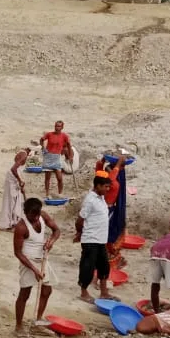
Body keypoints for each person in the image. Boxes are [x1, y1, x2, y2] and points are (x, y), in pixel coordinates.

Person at [14, 197, 60, 331]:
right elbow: (18, 253)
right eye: (31, 215)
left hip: (42, 259)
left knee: (47, 290)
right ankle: (18, 326)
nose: (35, 218)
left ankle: (38, 320)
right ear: (25, 212)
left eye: (37, 214)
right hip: (28, 261)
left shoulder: (43, 216)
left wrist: (50, 241)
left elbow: (56, 231)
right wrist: (34, 269)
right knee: (25, 293)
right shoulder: (21, 227)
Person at [75, 173, 114, 302]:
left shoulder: (100, 198)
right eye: (106, 187)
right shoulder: (90, 200)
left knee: (104, 266)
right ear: (98, 186)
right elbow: (80, 220)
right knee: (88, 266)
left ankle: (104, 292)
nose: (107, 189)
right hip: (91, 239)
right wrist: (79, 233)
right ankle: (84, 292)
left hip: (101, 239)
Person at [0, 149, 30, 231]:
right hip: (13, 178)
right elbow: (13, 169)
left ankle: (13, 222)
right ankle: (8, 223)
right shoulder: (24, 155)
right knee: (10, 201)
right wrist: (19, 180)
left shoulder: (21, 154)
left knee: (15, 200)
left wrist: (21, 185)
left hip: (14, 179)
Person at [39, 121, 73, 196]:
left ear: (62, 127)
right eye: (56, 126)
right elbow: (41, 139)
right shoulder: (49, 134)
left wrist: (70, 156)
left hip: (57, 157)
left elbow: (69, 146)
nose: (57, 128)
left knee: (60, 178)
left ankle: (60, 193)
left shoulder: (64, 136)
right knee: (47, 177)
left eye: (59, 126)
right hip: (48, 156)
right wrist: (43, 147)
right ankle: (47, 193)